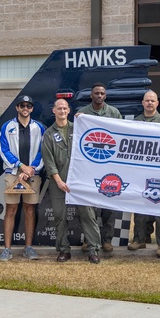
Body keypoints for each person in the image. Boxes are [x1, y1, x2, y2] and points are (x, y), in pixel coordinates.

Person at [42, 98, 101, 263]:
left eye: (65, 108)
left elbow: (94, 143)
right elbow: (49, 161)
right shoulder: (48, 134)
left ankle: (93, 250)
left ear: (69, 111)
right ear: (53, 111)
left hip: (80, 181)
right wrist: (59, 181)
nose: (62, 111)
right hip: (58, 182)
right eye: (59, 108)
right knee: (60, 216)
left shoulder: (79, 128)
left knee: (88, 215)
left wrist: (85, 119)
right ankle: (63, 250)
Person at [0, 95, 45, 260]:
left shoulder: (39, 127)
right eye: (22, 105)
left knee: (30, 209)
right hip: (13, 173)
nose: (25, 108)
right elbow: (4, 150)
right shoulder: (7, 126)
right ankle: (7, 249)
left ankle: (28, 247)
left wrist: (30, 169)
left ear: (32, 109)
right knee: (10, 209)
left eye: (28, 106)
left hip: (33, 173)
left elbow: (42, 151)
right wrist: (20, 166)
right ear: (17, 107)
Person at [78, 83, 123, 251]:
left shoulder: (114, 113)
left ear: (105, 96)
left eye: (102, 93)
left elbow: (121, 136)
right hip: (89, 166)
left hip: (110, 165)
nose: (99, 95)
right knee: (89, 205)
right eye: (96, 93)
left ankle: (107, 240)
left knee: (109, 204)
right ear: (91, 95)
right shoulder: (83, 113)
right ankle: (88, 239)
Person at [129, 90, 160, 251]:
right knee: (139, 208)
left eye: (153, 100)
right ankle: (139, 239)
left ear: (157, 103)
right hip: (141, 172)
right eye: (147, 100)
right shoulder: (136, 122)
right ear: (143, 103)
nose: (150, 103)